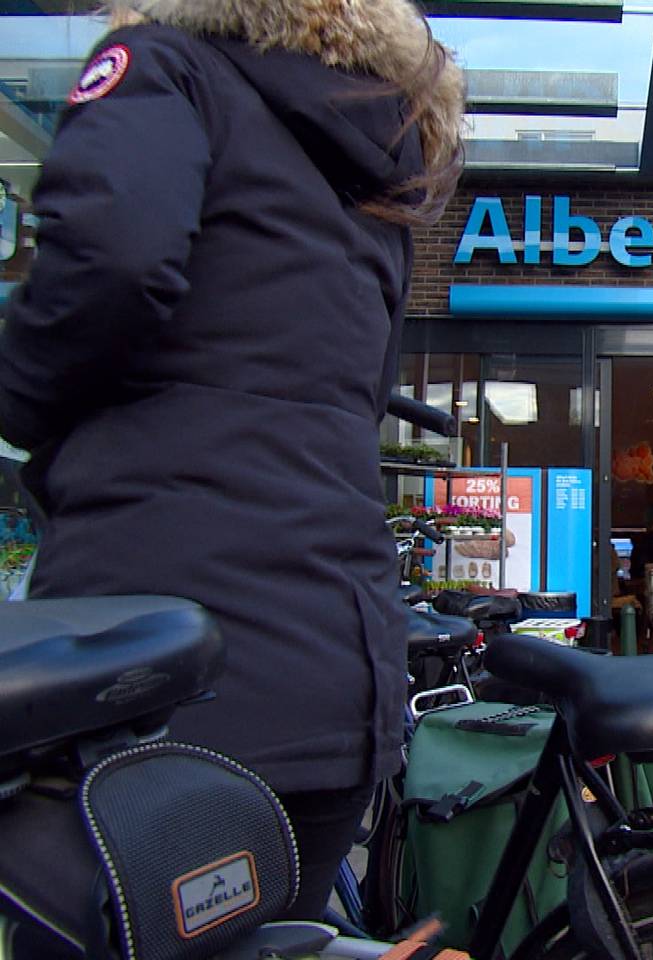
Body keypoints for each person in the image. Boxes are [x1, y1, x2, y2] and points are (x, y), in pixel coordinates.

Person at [0, 0, 464, 920]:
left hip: (162, 668)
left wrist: (20, 398)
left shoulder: (164, 65)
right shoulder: (377, 149)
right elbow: (368, 386)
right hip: (341, 678)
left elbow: (113, 261)